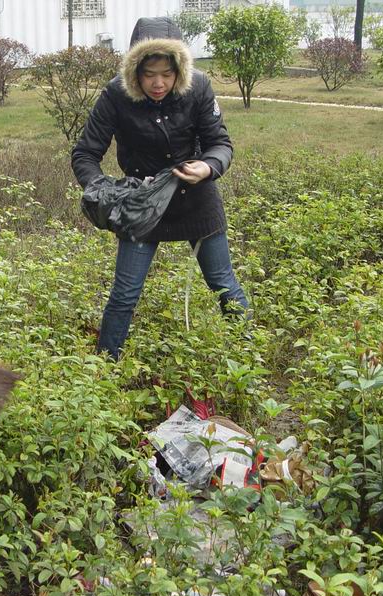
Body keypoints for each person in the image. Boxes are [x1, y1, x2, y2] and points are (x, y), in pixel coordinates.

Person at [72, 16, 249, 361]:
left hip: (196, 199)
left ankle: (247, 355)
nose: (158, 83)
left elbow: (220, 143)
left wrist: (208, 167)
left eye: (167, 74)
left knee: (223, 282)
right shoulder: (116, 94)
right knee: (125, 293)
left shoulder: (199, 86)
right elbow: (85, 153)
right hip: (141, 206)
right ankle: (105, 366)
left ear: (179, 69)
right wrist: (104, 192)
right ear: (134, 70)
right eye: (149, 74)